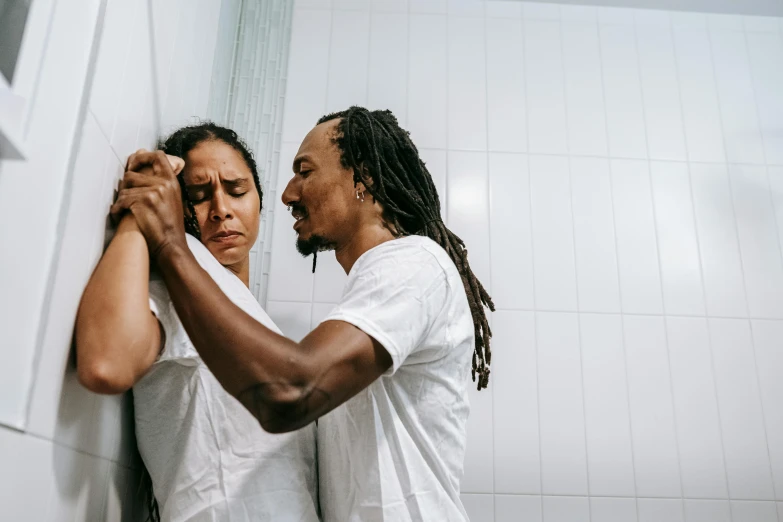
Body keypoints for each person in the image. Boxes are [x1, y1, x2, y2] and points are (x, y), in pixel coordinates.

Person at [112, 107, 495, 521]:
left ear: (363, 177)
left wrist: (170, 242)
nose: (288, 194)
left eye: (304, 171)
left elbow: (290, 391)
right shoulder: (375, 289)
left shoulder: (413, 263)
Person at [75, 123, 319, 522]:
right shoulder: (185, 270)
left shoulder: (247, 312)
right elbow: (107, 363)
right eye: (198, 196)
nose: (221, 209)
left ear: (259, 199)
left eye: (237, 190)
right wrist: (144, 216)